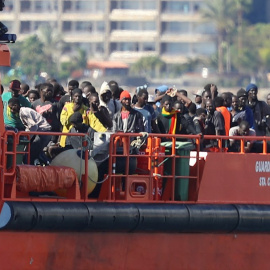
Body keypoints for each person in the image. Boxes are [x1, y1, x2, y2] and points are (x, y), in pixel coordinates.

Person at [8, 97, 52, 164]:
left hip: (43, 133)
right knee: (37, 152)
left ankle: (30, 169)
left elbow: (34, 126)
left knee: (30, 155)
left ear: (16, 105)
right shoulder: (22, 112)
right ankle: (47, 164)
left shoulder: (24, 112)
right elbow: (29, 127)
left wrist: (28, 138)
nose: (11, 110)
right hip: (43, 133)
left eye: (11, 108)